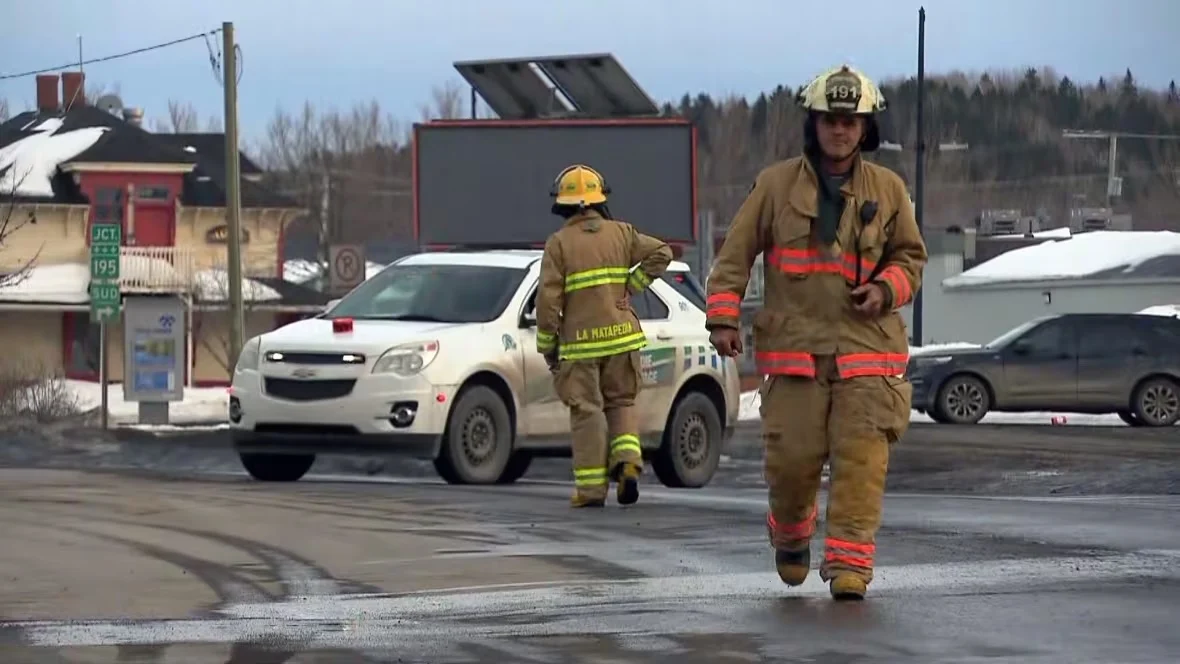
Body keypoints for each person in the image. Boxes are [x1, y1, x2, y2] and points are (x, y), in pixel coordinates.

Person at [704, 65, 927, 599]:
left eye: (851, 122)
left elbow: (911, 258)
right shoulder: (775, 186)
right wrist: (723, 318)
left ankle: (850, 567)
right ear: (814, 124)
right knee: (792, 462)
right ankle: (790, 532)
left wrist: (885, 290)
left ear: (865, 128)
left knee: (861, 462)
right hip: (795, 351)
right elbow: (735, 256)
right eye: (831, 120)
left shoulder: (889, 190)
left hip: (866, 351)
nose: (840, 130)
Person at [535, 164, 674, 508]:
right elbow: (663, 252)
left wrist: (548, 345)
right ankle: (627, 463)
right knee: (622, 402)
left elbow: (548, 302)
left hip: (581, 345)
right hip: (622, 339)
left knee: (587, 410)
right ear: (599, 200)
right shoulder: (622, 233)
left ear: (563, 206)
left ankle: (591, 490)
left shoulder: (559, 244)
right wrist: (632, 285)